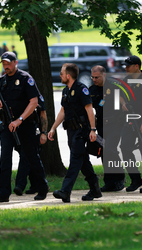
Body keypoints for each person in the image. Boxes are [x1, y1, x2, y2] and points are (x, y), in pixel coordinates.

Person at [0, 51, 49, 202]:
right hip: (7, 126)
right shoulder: (2, 80)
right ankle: (3, 193)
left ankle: (42, 188)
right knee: (5, 158)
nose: (6, 67)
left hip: (25, 125)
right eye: (4, 64)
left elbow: (34, 102)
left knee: (31, 156)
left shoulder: (25, 79)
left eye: (8, 64)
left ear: (15, 63)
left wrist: (20, 120)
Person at [48, 63, 102, 203]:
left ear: (68, 75)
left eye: (61, 73)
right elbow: (63, 111)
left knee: (75, 161)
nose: (60, 75)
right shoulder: (66, 90)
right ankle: (95, 189)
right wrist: (53, 128)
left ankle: (65, 191)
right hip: (71, 132)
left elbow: (90, 110)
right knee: (83, 161)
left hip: (81, 131)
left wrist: (92, 129)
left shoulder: (81, 89)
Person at [119, 55, 142, 193]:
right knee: (125, 148)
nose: (126, 68)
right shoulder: (126, 80)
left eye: (128, 66)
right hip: (129, 119)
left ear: (136, 66)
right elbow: (120, 93)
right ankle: (135, 180)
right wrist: (123, 103)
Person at [89, 65, 125, 192]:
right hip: (101, 125)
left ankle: (120, 178)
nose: (94, 79)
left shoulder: (113, 86)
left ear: (104, 75)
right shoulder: (91, 90)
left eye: (97, 77)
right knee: (104, 152)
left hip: (115, 124)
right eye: (92, 77)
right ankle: (109, 182)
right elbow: (89, 108)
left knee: (110, 149)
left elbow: (122, 103)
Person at [13, 96, 48, 196]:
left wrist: (44, 132)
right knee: (29, 157)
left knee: (26, 156)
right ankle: (35, 185)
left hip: (32, 129)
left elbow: (43, 113)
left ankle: (20, 185)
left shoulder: (35, 95)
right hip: (18, 129)